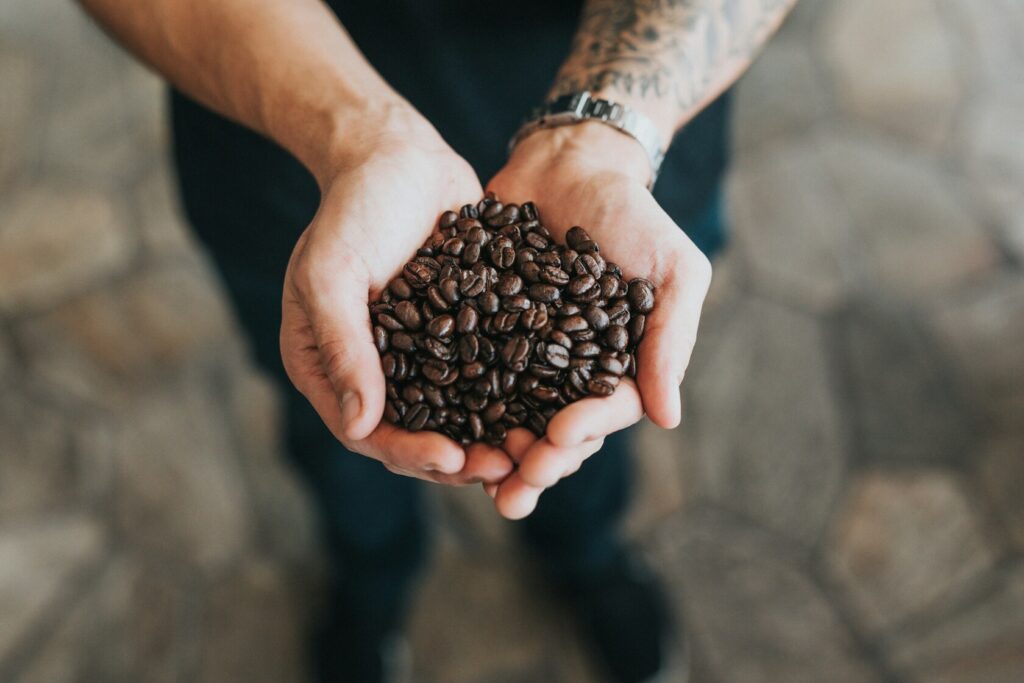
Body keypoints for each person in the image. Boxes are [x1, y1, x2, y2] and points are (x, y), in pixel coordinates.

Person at [78, 1, 796, 681]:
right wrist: (356, 135)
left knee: (590, 428)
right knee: (343, 417)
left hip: (627, 145)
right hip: (291, 124)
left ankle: (587, 556)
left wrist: (605, 134)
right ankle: (369, 581)